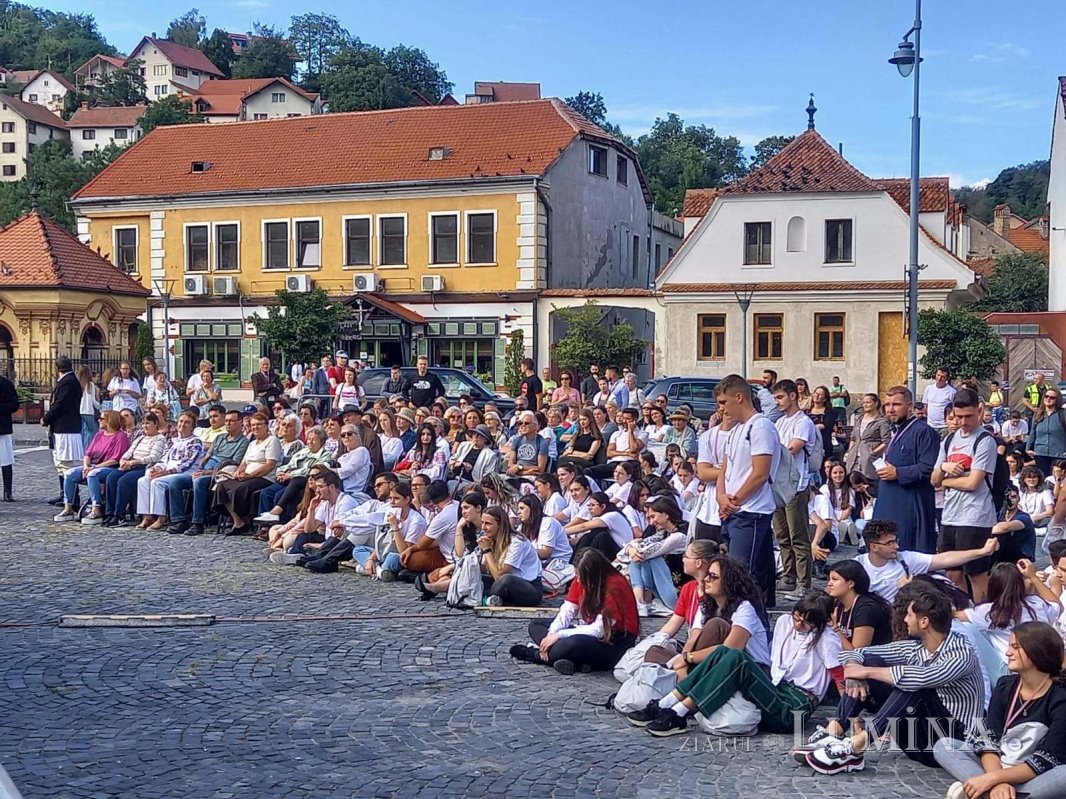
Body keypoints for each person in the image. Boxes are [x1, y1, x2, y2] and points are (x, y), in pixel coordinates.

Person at [798, 585, 985, 773]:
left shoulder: (961, 653)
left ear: (924, 622)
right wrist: (856, 674)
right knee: (872, 661)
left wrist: (866, 672)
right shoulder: (917, 647)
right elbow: (858, 653)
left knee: (914, 683)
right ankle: (833, 732)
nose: (904, 619)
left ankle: (857, 746)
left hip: (953, 742)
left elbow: (922, 678)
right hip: (916, 740)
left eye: (909, 615)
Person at [624, 555, 773, 735]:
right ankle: (685, 688)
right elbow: (692, 640)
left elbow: (729, 652)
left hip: (745, 669)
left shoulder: (744, 609)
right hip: (706, 663)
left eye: (713, 576)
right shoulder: (707, 605)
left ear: (729, 582)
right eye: (707, 575)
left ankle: (677, 702)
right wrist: (683, 663)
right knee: (655, 651)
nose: (706, 580)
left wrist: (687, 658)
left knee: (715, 625)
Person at [934, 622, 1066, 799]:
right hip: (1000, 764)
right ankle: (997, 794)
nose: (1007, 652)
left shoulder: (1060, 697)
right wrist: (998, 782)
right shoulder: (1005, 685)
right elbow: (989, 740)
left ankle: (980, 791)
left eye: (1015, 647)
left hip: (1036, 774)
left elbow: (1047, 759)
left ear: (1037, 651)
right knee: (944, 745)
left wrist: (991, 779)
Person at [509, 548, 639, 675]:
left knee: (572, 644)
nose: (578, 581)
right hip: (589, 631)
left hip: (615, 641)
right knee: (536, 625)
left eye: (580, 577)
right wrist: (551, 635)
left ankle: (537, 655)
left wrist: (559, 635)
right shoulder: (582, 578)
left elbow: (599, 630)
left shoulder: (614, 586)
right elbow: (567, 610)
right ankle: (571, 660)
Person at [716, 374, 779, 607]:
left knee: (740, 573)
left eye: (724, 402)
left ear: (739, 397)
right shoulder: (736, 430)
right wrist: (721, 496)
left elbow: (760, 473)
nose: (721, 409)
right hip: (734, 509)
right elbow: (724, 469)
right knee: (753, 571)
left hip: (751, 510)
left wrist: (735, 501)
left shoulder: (760, 426)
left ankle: (744, 622)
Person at [934, 388, 1001, 601]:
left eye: (968, 416)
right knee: (952, 572)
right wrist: (945, 466)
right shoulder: (949, 439)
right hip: (950, 515)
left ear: (979, 411)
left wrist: (946, 480)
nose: (963, 422)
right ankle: (965, 613)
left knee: (976, 573)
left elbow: (973, 482)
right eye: (958, 416)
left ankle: (983, 616)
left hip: (976, 516)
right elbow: (933, 479)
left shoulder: (985, 441)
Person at [857, 519, 999, 603]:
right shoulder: (857, 566)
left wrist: (982, 552)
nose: (897, 546)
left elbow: (945, 559)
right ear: (873, 547)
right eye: (890, 543)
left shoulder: (905, 559)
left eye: (896, 541)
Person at [873, 385, 940, 553]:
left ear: (909, 406)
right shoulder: (895, 431)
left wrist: (898, 473)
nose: (891, 409)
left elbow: (928, 468)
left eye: (896, 405)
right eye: (887, 405)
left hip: (911, 504)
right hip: (890, 501)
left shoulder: (923, 431)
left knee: (908, 553)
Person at [772, 379, 820, 601]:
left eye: (780, 397)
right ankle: (789, 577)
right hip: (778, 486)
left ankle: (804, 583)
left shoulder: (803, 422)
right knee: (782, 534)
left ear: (793, 396)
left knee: (798, 535)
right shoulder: (780, 422)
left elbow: (792, 448)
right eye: (775, 398)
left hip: (795, 485)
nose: (777, 402)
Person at [52, 410, 130, 522]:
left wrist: (93, 468)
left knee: (93, 475)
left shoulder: (120, 437)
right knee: (69, 473)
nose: (99, 420)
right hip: (92, 465)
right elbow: (88, 453)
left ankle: (96, 508)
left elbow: (115, 459)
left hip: (109, 467)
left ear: (110, 421)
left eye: (102, 419)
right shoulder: (99, 435)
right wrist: (85, 466)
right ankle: (68, 507)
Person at [212, 413, 281, 535]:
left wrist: (251, 475)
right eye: (253, 425)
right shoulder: (252, 444)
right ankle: (238, 521)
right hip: (247, 476)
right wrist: (239, 472)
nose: (255, 427)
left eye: (259, 424)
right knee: (221, 485)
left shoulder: (272, 441)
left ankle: (247, 520)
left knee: (237, 490)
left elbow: (270, 464)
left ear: (266, 426)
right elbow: (244, 462)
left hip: (264, 477)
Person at [133, 410, 203, 530]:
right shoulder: (173, 441)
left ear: (192, 426)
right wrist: (157, 468)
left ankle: (161, 517)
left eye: (187, 422)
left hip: (186, 473)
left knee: (157, 482)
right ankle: (147, 516)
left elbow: (187, 463)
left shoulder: (195, 441)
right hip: (167, 471)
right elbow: (164, 458)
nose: (182, 424)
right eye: (181, 421)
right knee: (144, 480)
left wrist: (166, 472)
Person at [92, 413, 166, 526]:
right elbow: (129, 451)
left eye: (148, 423)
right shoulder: (141, 438)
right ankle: (109, 513)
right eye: (143, 423)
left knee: (124, 481)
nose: (145, 426)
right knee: (111, 478)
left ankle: (119, 515)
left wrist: (134, 462)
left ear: (155, 424)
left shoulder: (160, 439)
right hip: (130, 464)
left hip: (144, 466)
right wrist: (123, 460)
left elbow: (154, 456)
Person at [623, 494, 688, 616]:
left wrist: (631, 549)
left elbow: (644, 552)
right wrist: (630, 548)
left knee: (647, 557)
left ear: (666, 514)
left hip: (677, 595)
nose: (651, 522)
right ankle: (642, 602)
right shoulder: (664, 533)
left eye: (653, 517)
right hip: (665, 587)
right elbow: (631, 548)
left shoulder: (679, 536)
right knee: (640, 556)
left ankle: (641, 602)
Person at [254, 426, 331, 525]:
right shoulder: (303, 451)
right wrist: (281, 473)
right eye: (309, 439)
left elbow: (312, 470)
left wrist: (290, 475)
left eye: (314, 440)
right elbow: (289, 464)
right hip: (288, 479)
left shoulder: (325, 455)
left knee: (279, 495)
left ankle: (279, 523)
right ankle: (264, 527)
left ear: (321, 442)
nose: (310, 442)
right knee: (266, 492)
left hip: (305, 481)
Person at [476, 505, 543, 607]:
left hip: (528, 586)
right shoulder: (489, 540)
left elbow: (499, 576)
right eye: (482, 523)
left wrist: (487, 550)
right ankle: (491, 597)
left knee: (504, 581)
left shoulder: (516, 542)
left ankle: (487, 596)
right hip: (498, 582)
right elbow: (485, 570)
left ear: (500, 525)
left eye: (488, 524)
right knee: (473, 577)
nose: (483, 528)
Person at [825, 560, 894, 650]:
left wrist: (834, 628)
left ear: (851, 583)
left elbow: (857, 654)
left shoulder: (866, 609)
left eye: (834, 579)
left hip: (872, 661)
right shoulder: (838, 604)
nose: (829, 584)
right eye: (829, 579)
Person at [401, 480, 460, 576]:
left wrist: (411, 549)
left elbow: (422, 544)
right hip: (452, 549)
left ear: (432, 501)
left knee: (410, 560)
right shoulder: (457, 504)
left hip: (451, 556)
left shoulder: (442, 517)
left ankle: (442, 570)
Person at [566, 491, 634, 561]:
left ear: (603, 506)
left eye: (593, 505)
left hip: (622, 551)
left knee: (601, 536)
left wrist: (561, 532)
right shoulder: (601, 517)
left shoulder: (612, 515)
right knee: (588, 536)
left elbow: (583, 527)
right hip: (613, 548)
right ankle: (575, 563)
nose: (589, 508)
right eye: (589, 505)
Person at [844, 393, 891, 482]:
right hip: (854, 458)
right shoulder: (859, 419)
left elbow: (886, 442)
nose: (865, 405)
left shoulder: (882, 422)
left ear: (876, 403)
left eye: (868, 402)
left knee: (868, 484)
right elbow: (853, 438)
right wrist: (849, 452)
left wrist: (872, 453)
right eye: (863, 402)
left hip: (869, 460)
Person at [1027, 387, 1066, 477]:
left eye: (1052, 397)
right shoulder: (1038, 414)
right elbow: (1033, 431)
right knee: (1044, 478)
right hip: (1040, 453)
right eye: (1046, 396)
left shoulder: (1063, 414)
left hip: (1058, 453)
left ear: (1057, 400)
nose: (1048, 399)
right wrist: (1028, 448)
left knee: (1057, 480)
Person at [921, 367, 958, 432]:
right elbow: (925, 405)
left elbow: (954, 408)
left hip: (944, 426)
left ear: (947, 378)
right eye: (938, 375)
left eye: (943, 377)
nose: (939, 379)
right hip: (930, 425)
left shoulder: (952, 392)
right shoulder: (929, 389)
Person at [0, 367, 16, 502]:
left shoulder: (5, 384)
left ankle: (7, 490)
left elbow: (14, 404)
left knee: (5, 461)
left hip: (2, 427)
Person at [77, 365, 100, 448]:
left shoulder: (77, 384)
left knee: (81, 431)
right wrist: (99, 407)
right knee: (90, 432)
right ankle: (87, 449)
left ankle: (80, 449)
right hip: (89, 411)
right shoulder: (91, 385)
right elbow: (93, 400)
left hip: (79, 411)